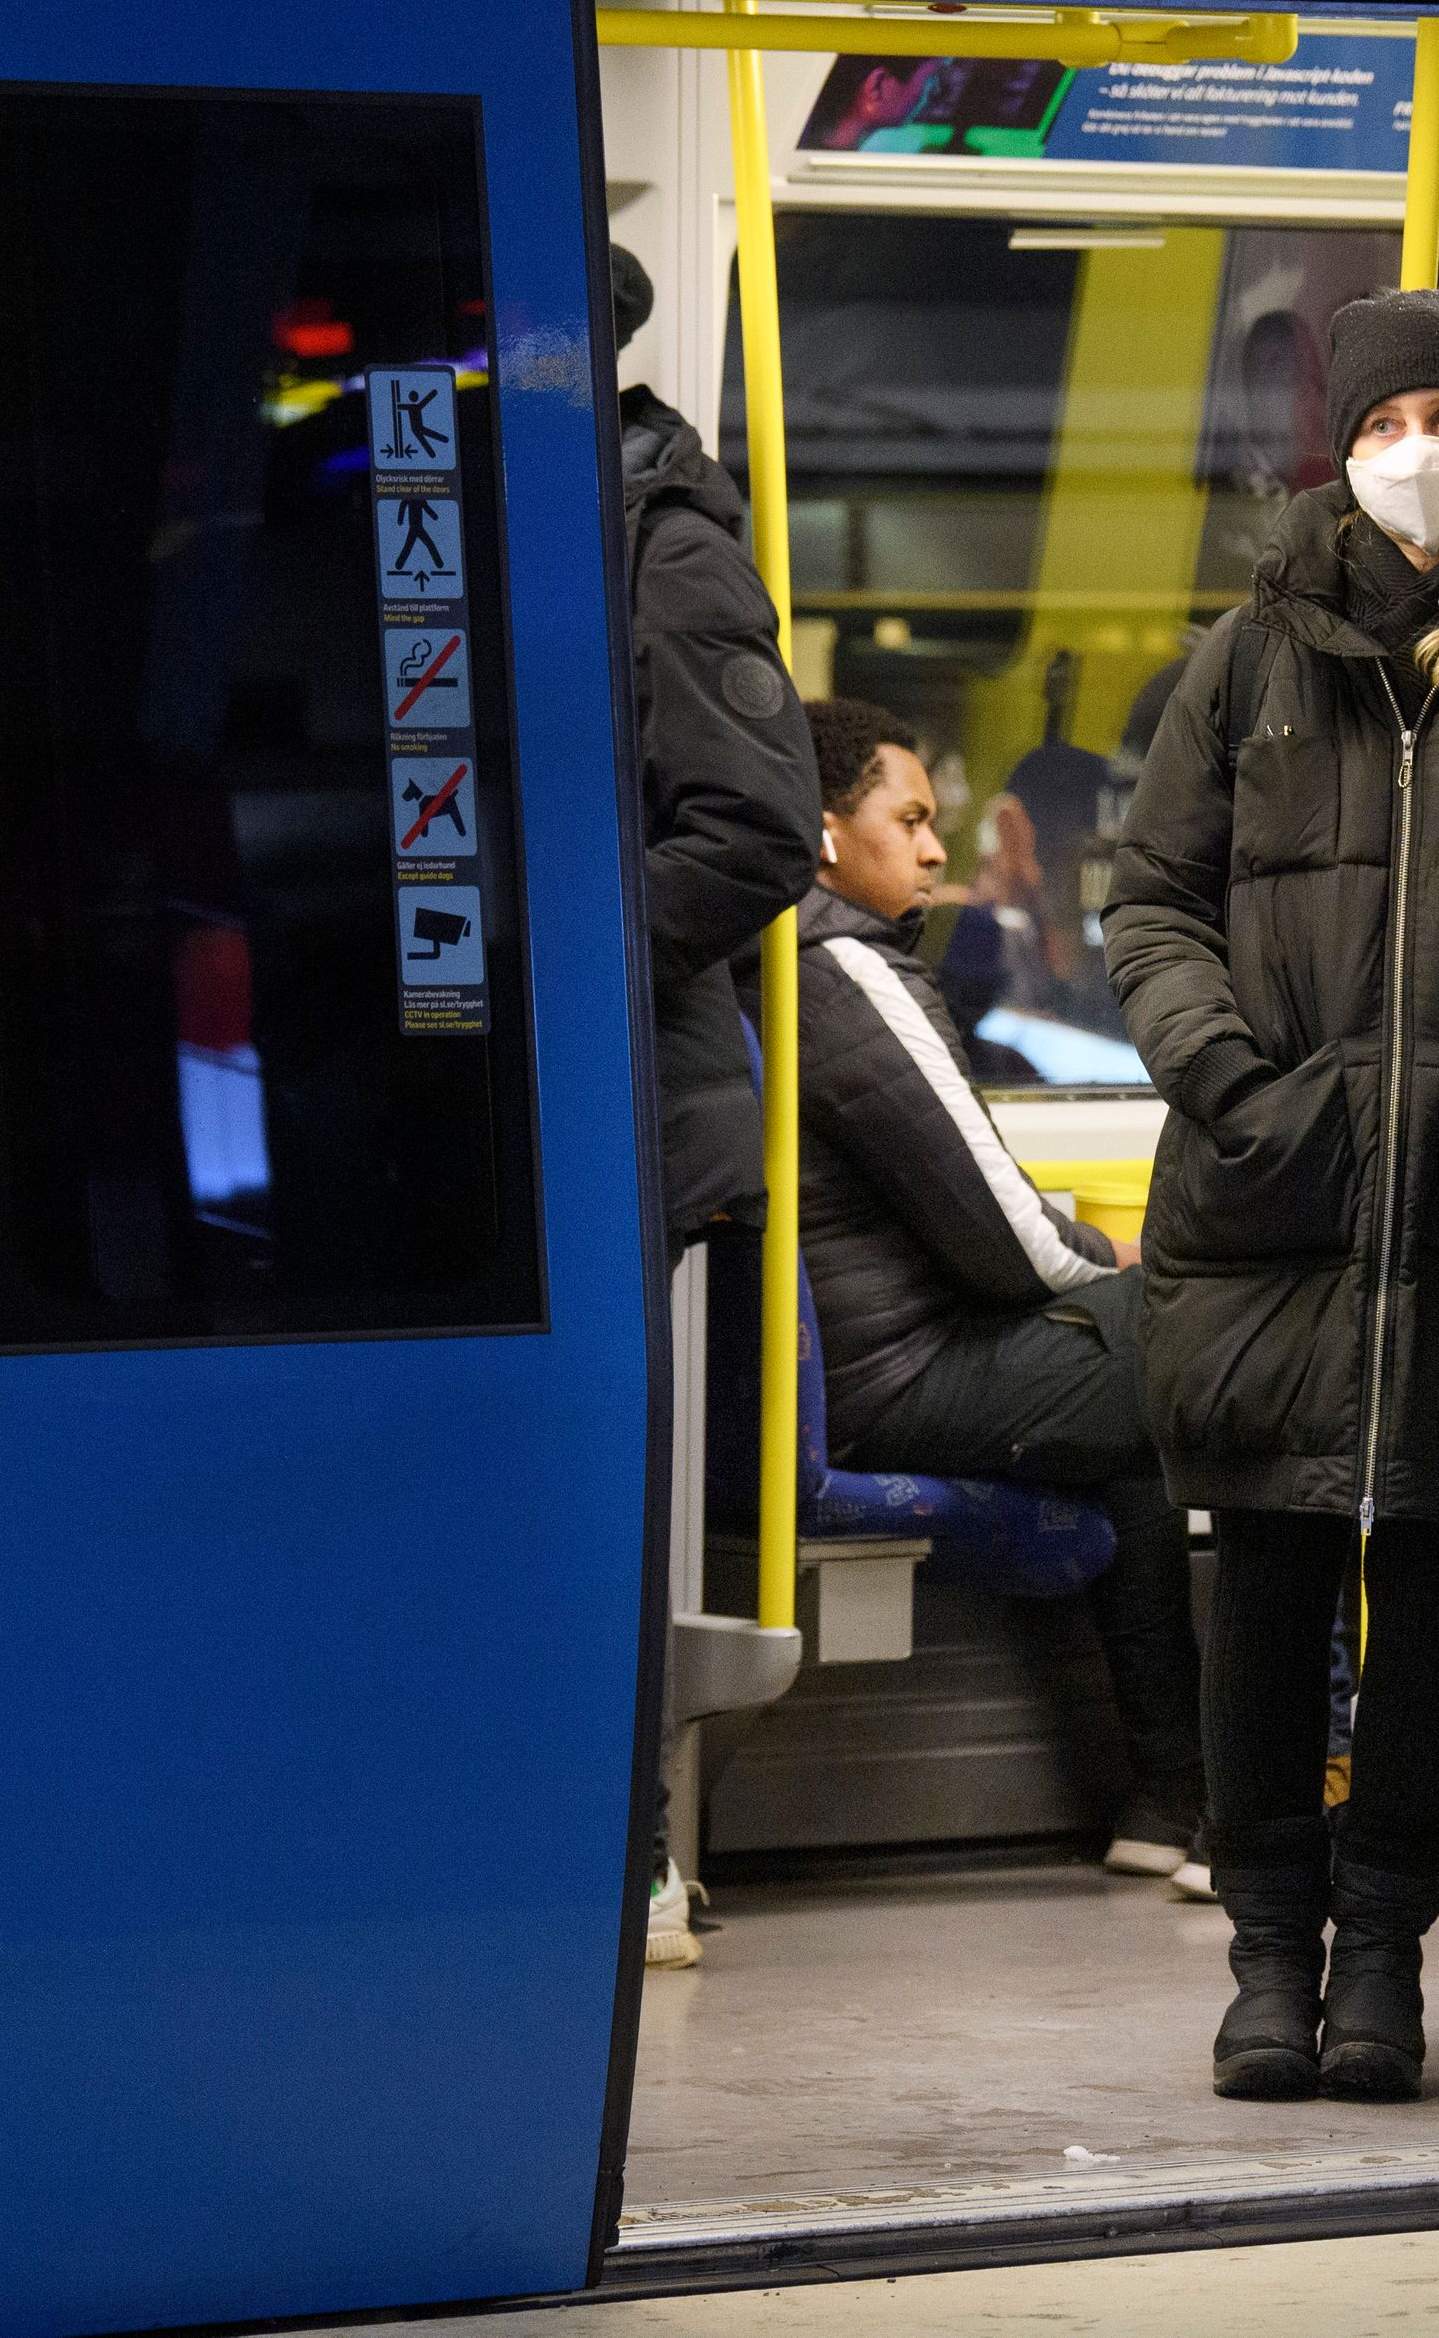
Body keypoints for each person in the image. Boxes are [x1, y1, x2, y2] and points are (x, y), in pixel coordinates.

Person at [1109, 286, 1439, 2104]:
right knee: (1265, 1575)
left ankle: (1385, 1948)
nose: (1418, 452)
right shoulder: (1249, 658)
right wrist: (1238, 1088)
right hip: (1272, 1204)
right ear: (1342, 452)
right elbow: (1153, 901)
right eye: (1386, 422)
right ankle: (1267, 1955)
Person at [792, 698, 1207, 1881]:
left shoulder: (788, 960)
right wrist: (1115, 1262)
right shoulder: (843, 969)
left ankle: (1173, 1806)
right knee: (1231, 1341)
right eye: (909, 820)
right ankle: (1286, 1782)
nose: (934, 851)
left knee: (1136, 1428)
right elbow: (1005, 1244)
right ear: (824, 832)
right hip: (901, 1375)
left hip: (872, 1366)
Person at [614, 242, 826, 1969]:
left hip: (622, 1094)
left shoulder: (665, 549)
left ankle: (632, 1853)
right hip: (504, 1106)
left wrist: (558, 975)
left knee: (591, 1500)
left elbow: (756, 830)